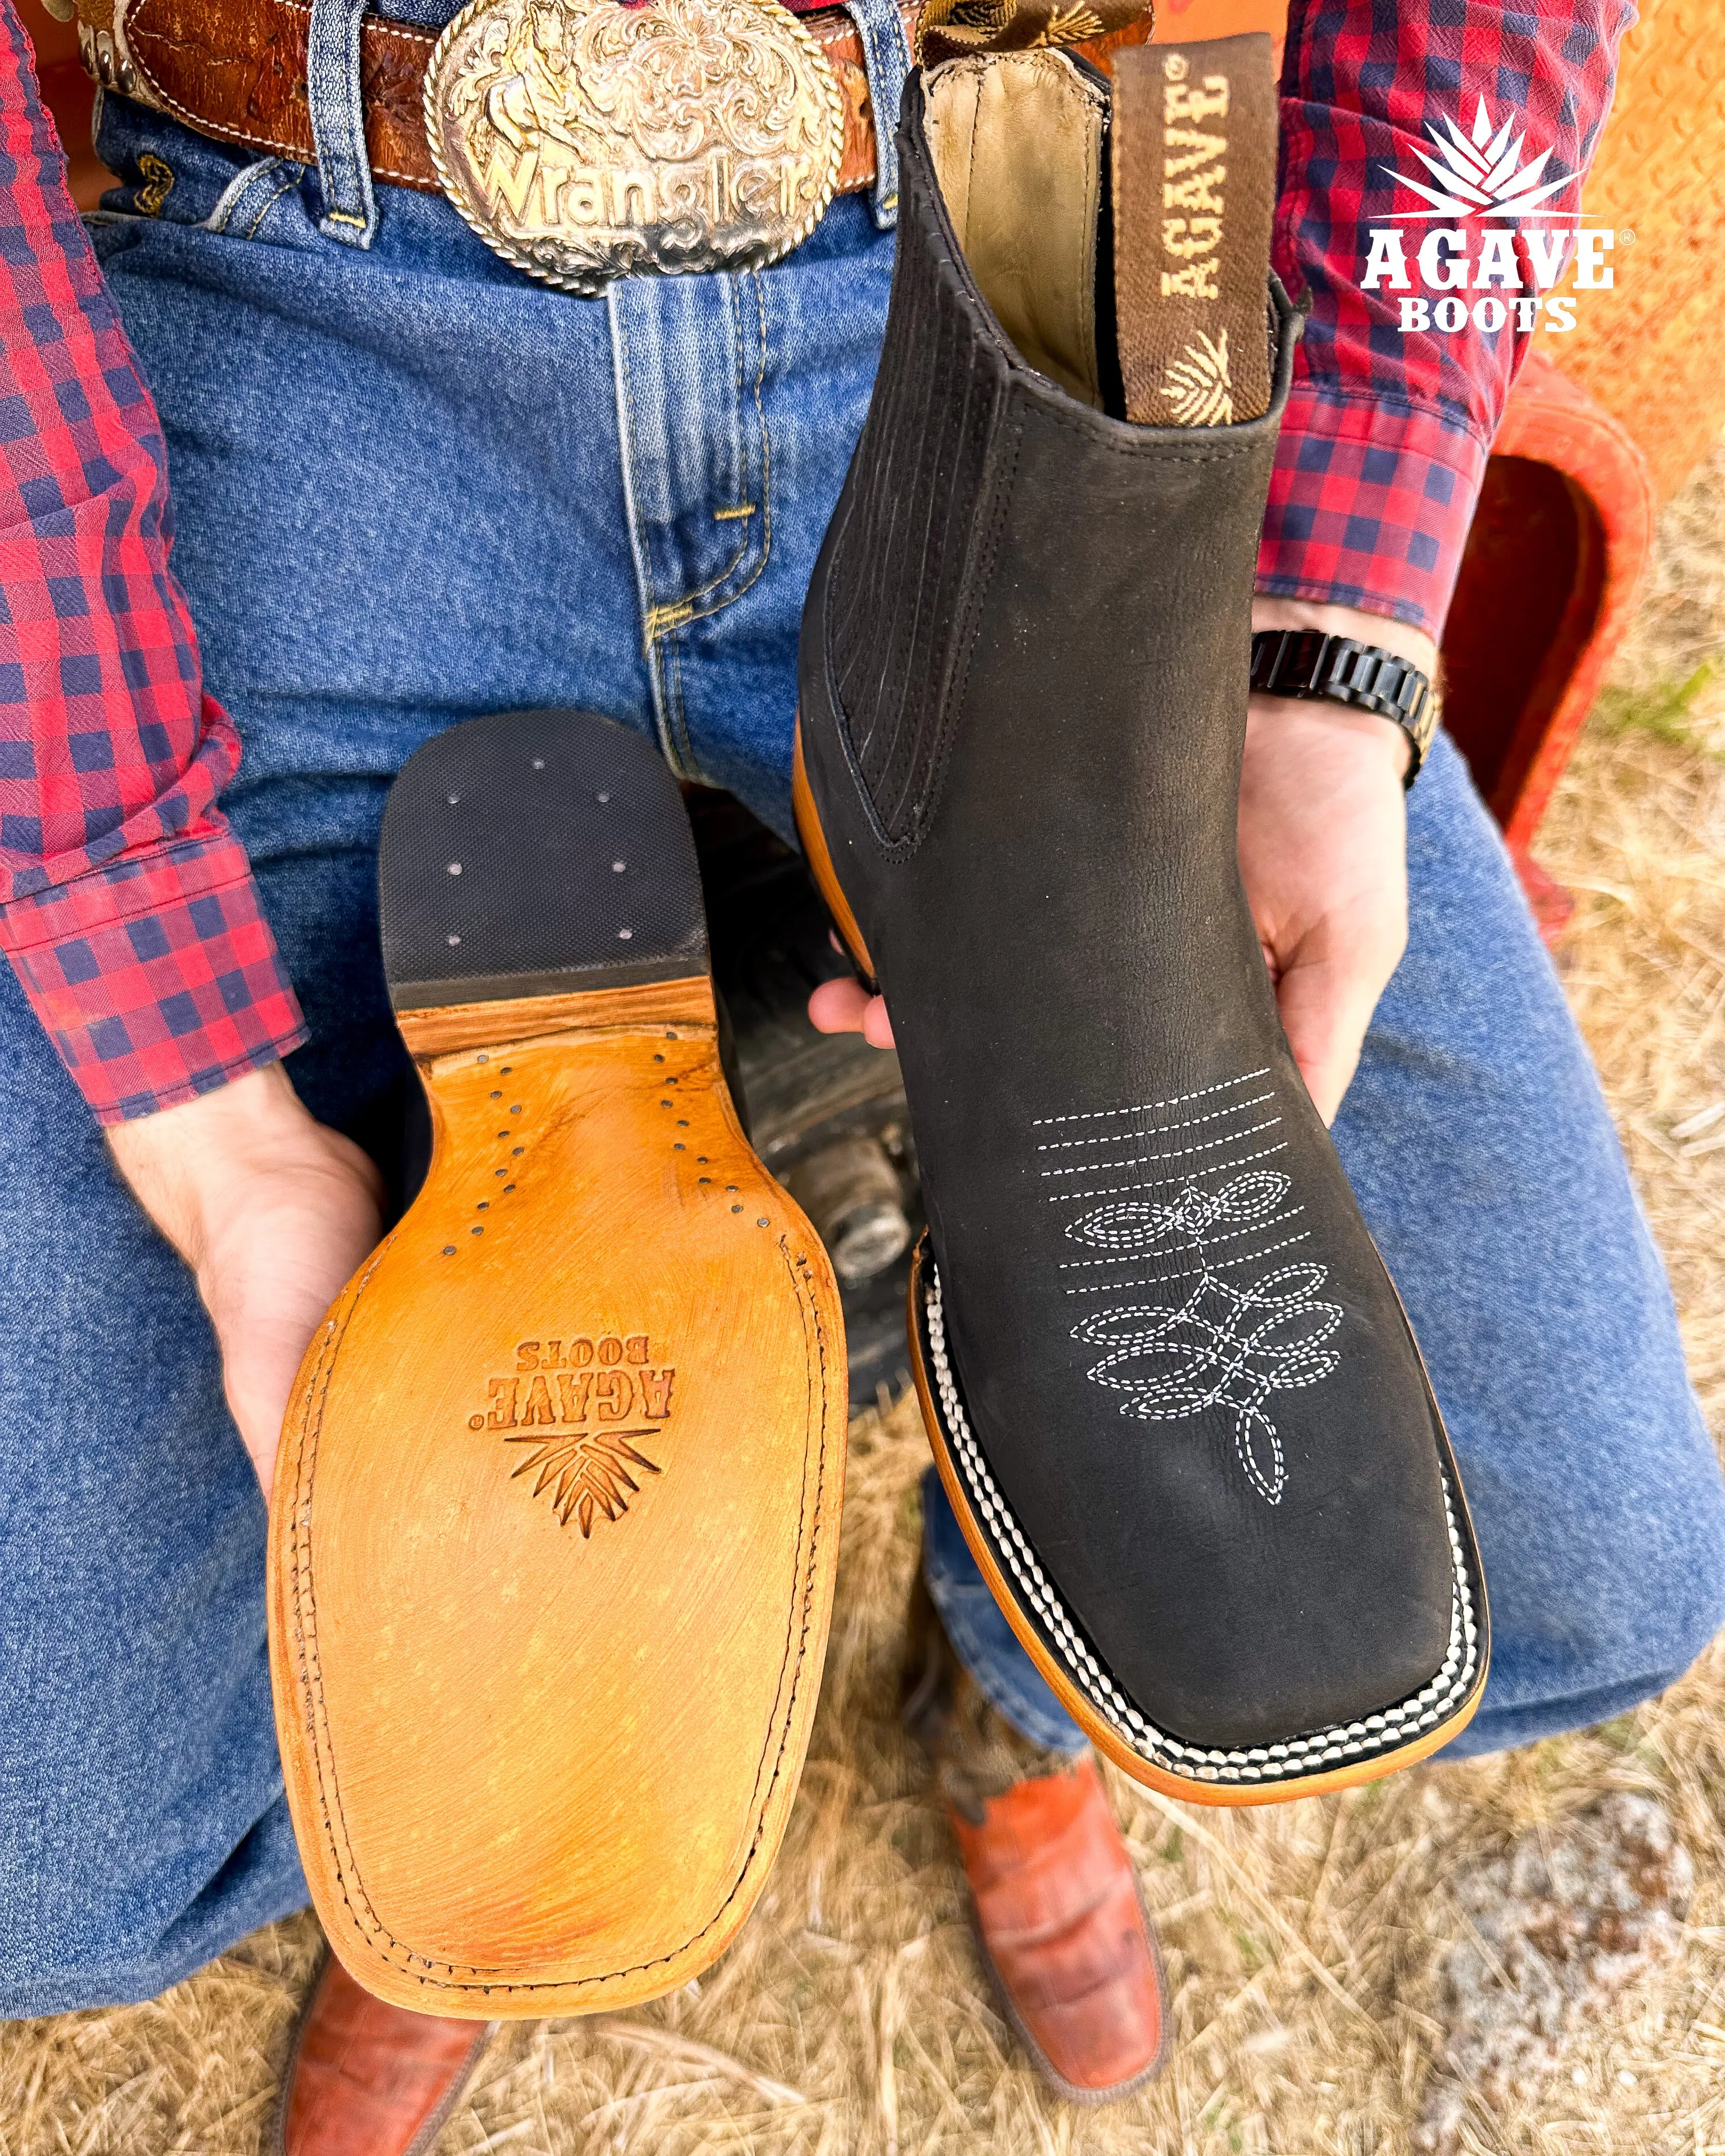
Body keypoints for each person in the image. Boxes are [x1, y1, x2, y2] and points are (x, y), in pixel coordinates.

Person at [2, 0, 1722, 2135]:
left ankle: (1028, 1669)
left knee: (1575, 1568)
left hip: (988, 266)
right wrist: (208, 1118)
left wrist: (1322, 645)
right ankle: (548, 1714)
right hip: (296, 324)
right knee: (59, 1856)